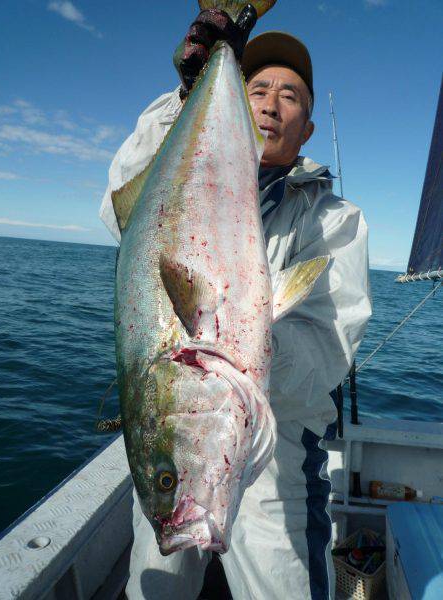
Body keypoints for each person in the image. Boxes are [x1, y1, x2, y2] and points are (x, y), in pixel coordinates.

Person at [100, 8, 372, 600]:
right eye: (258, 87)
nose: (272, 102)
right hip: (198, 439)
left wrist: (246, 343)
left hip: (281, 468)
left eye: (292, 95)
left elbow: (330, 351)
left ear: (305, 130)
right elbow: (123, 202)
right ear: (239, 109)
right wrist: (184, 99)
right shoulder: (183, 162)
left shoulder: (336, 222)